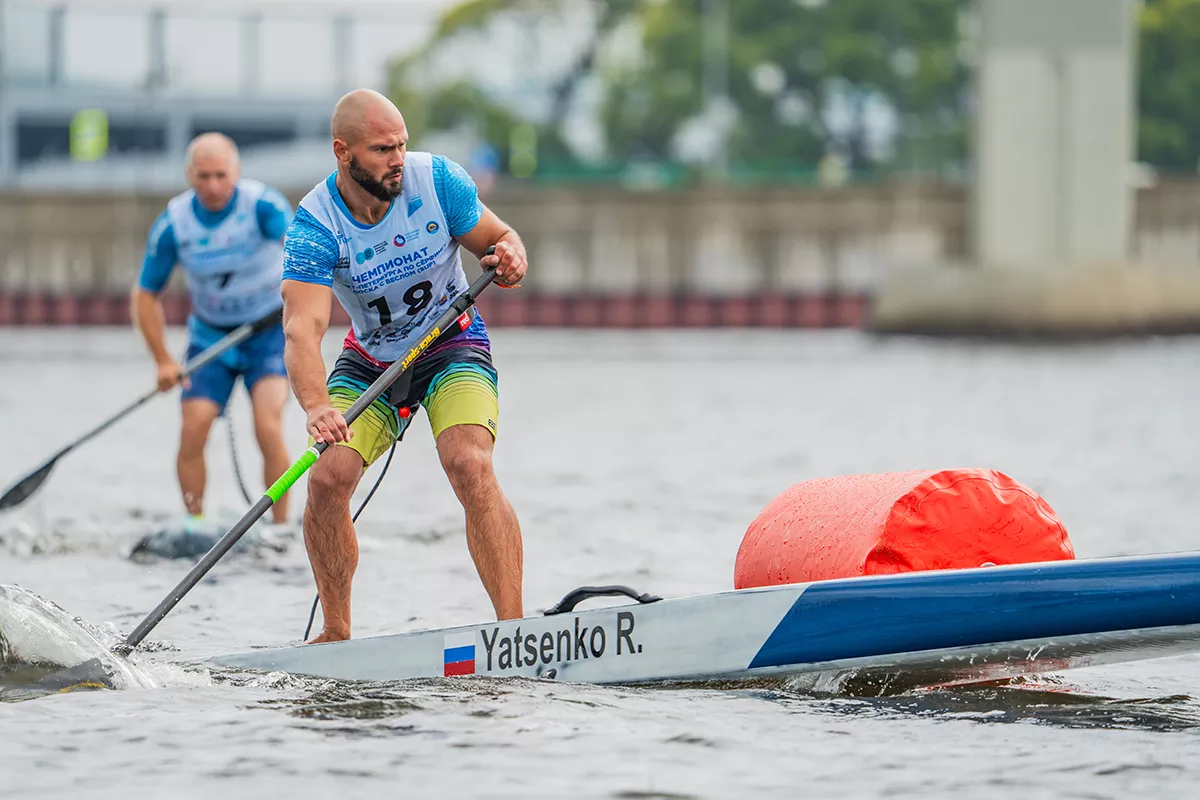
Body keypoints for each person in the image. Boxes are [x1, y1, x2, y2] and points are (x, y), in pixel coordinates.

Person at [280, 89, 528, 643]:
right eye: (382, 149)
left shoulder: (439, 181)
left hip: (451, 344)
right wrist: (317, 405)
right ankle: (337, 633)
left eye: (402, 145)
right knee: (326, 479)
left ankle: (513, 634)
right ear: (343, 153)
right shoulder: (315, 226)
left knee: (468, 462)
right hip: (373, 361)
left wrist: (511, 256)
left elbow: (501, 240)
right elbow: (302, 329)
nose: (398, 159)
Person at [132, 132, 295, 527]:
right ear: (190, 175)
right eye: (203, 177)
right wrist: (162, 361)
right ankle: (195, 524)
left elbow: (302, 258)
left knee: (266, 424)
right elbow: (145, 296)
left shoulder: (264, 206)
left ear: (236, 172)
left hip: (268, 332)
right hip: (211, 339)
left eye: (221, 175)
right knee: (193, 428)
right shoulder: (174, 224)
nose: (213, 186)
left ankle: (281, 527)